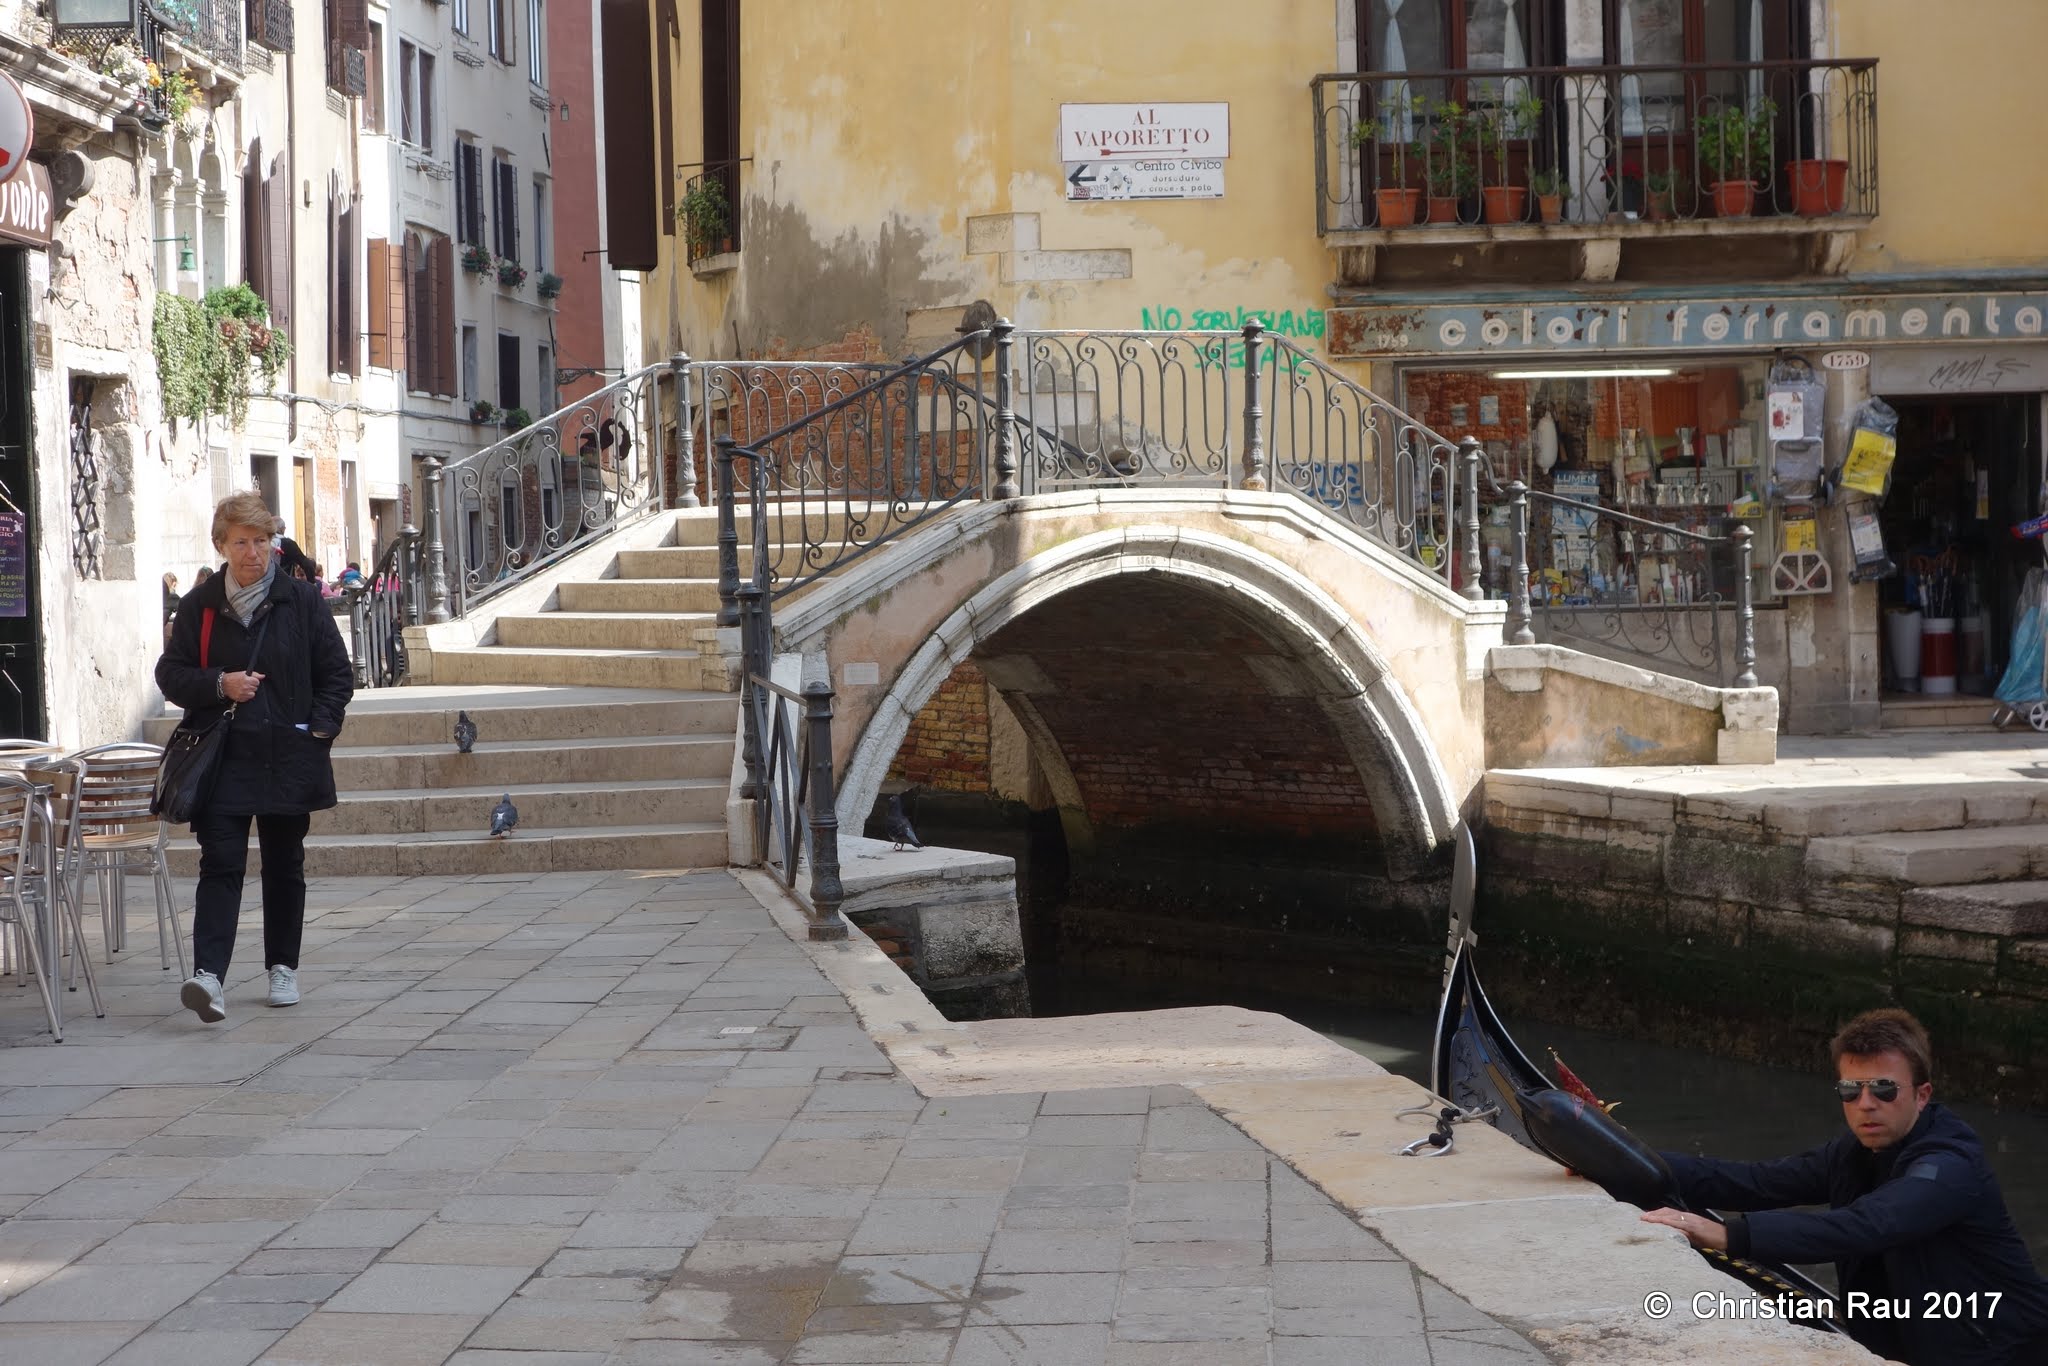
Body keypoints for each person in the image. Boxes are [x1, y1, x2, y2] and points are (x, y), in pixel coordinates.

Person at [1642, 1008, 2048, 1365]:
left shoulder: (1950, 1163)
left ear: (1922, 1095)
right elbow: (1757, 1181)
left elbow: (1870, 1223)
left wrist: (1729, 1234)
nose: (1866, 1104)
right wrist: (1628, 1157)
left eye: (1884, 1089)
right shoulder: (1853, 1153)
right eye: (1851, 1090)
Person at [154, 492, 354, 1023]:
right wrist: (221, 684)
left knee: (285, 863)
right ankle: (209, 977)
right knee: (220, 862)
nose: (253, 552)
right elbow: (170, 675)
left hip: (288, 753)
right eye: (241, 542)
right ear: (221, 546)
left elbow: (337, 674)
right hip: (222, 759)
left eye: (261, 541)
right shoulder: (198, 606)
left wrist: (319, 730)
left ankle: (283, 967)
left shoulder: (302, 601)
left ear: (273, 544)